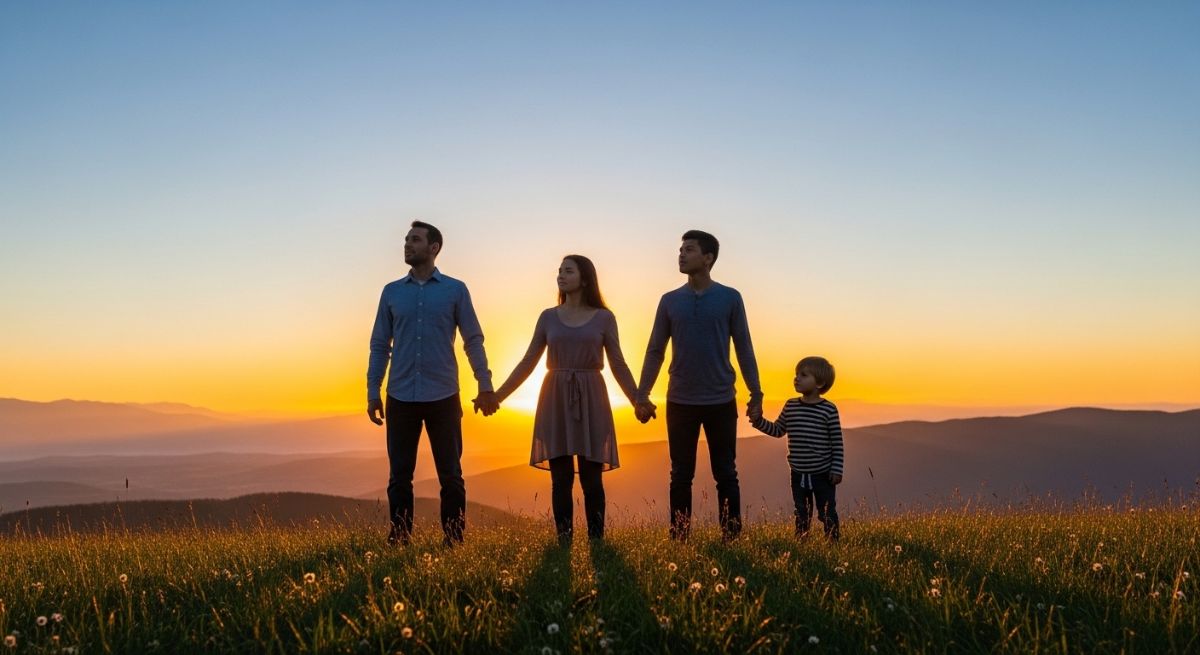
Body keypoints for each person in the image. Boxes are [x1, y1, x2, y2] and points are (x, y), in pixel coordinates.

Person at [367, 221, 498, 547]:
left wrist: (484, 384)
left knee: (451, 475)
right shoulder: (392, 292)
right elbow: (380, 345)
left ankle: (453, 541)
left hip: (443, 396)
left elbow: (473, 340)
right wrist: (372, 391)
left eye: (415, 239)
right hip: (400, 395)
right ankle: (399, 539)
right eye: (406, 239)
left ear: (434, 247)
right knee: (399, 477)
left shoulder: (455, 290)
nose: (407, 244)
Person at [492, 255, 639, 543]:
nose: (560, 275)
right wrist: (498, 395)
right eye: (559, 271)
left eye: (568, 271)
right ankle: (564, 541)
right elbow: (528, 361)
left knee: (592, 479)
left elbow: (618, 363)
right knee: (560, 479)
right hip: (555, 398)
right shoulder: (548, 317)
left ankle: (597, 541)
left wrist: (637, 399)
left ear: (584, 279)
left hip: (592, 397)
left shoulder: (604, 317)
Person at [635, 230, 763, 542]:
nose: (681, 254)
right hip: (680, 400)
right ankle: (679, 539)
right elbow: (655, 350)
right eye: (680, 249)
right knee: (680, 474)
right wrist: (642, 393)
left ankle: (731, 538)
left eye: (689, 250)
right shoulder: (669, 301)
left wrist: (756, 392)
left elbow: (744, 347)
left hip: (721, 399)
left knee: (726, 472)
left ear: (708, 258)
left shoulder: (730, 298)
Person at [749, 356, 843, 541]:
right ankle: (801, 542)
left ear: (820, 383)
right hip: (798, 473)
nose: (797, 378)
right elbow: (778, 430)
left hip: (823, 474)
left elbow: (837, 443)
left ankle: (833, 542)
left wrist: (837, 469)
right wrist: (758, 421)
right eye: (796, 374)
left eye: (804, 375)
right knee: (801, 512)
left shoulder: (829, 410)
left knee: (827, 512)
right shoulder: (791, 406)